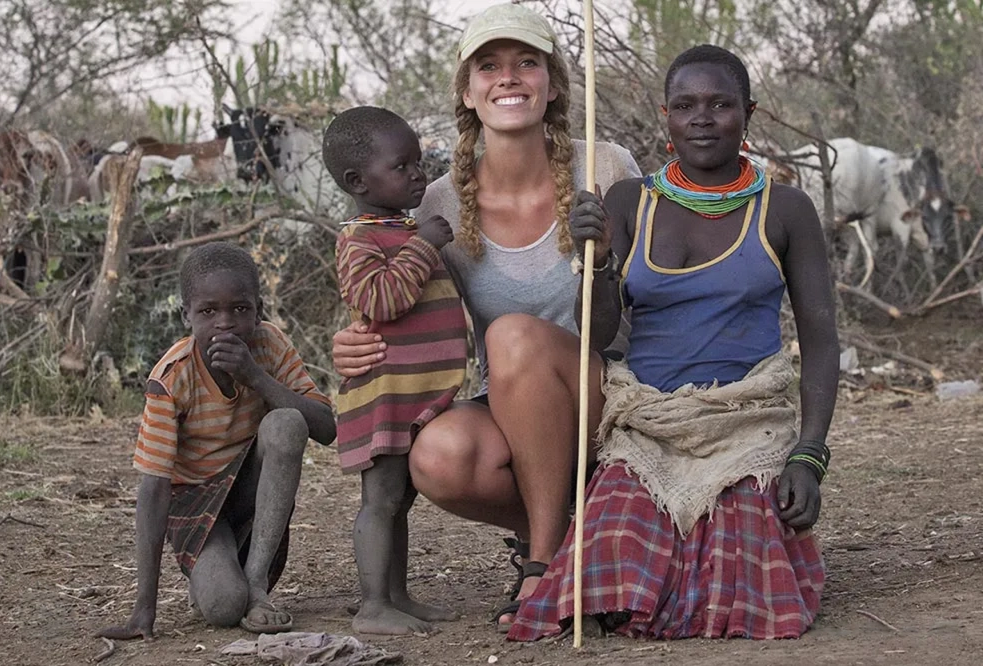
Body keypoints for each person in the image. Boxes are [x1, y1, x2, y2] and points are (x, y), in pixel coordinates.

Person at [507, 44, 839, 641]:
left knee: (742, 595)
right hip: (649, 425)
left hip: (746, 422)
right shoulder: (631, 202)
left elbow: (820, 339)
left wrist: (809, 455)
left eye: (720, 104)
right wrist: (600, 262)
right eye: (685, 105)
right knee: (602, 581)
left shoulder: (786, 209)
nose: (703, 118)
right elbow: (601, 333)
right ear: (666, 116)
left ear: (749, 113)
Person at [330, 3, 641, 631]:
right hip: (507, 405)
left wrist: (602, 260)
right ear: (468, 91)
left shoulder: (605, 168)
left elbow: (627, 317)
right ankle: (578, 529)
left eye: (527, 62)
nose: (509, 77)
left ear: (551, 84)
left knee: (512, 336)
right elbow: (399, 299)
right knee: (439, 456)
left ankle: (543, 564)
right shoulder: (439, 201)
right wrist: (355, 341)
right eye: (489, 66)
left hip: (608, 391)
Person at [98, 242, 336, 640]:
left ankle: (256, 584)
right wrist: (145, 608)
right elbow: (154, 489)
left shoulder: (270, 345)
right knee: (224, 607)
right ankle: (223, 579)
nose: (225, 323)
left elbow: (326, 428)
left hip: (248, 490)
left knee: (286, 423)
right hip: (193, 498)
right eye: (209, 311)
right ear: (186, 315)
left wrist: (255, 377)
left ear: (259, 309)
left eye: (240, 309)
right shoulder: (172, 376)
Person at [323, 106, 466, 635]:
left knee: (399, 502)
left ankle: (397, 595)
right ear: (358, 182)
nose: (417, 175)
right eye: (401, 166)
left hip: (414, 396)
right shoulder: (360, 238)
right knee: (380, 501)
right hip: (383, 395)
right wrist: (424, 244)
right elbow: (381, 300)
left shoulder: (397, 230)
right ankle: (372, 604)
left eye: (417, 162)